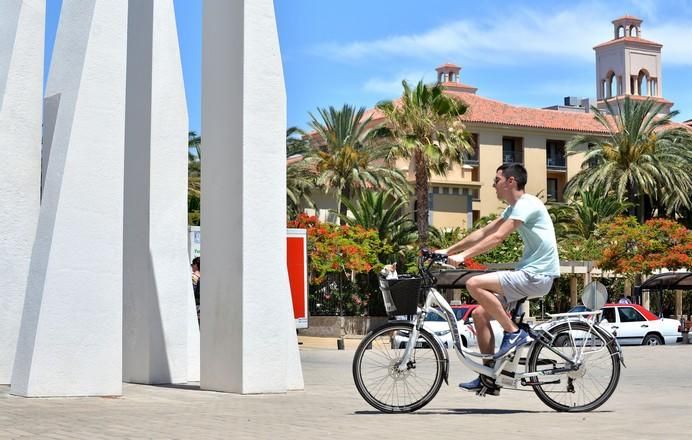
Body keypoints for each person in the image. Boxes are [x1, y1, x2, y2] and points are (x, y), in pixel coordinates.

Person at [436, 163, 560, 394]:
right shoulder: (514, 208)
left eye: (496, 180)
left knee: (473, 283)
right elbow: (484, 232)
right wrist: (448, 251)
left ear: (510, 181)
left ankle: (513, 333)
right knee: (480, 314)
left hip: (537, 275)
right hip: (529, 274)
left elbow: (498, 238)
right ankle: (488, 378)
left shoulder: (527, 204)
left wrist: (463, 257)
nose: (493, 185)